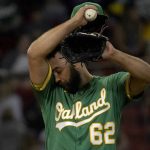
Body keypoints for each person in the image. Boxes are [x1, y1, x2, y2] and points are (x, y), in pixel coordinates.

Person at [27, 2, 150, 150]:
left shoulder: (111, 85)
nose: (56, 78)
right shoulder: (50, 94)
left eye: (58, 70)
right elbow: (33, 53)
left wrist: (114, 55)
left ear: (70, 58)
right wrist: (75, 22)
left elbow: (146, 75)